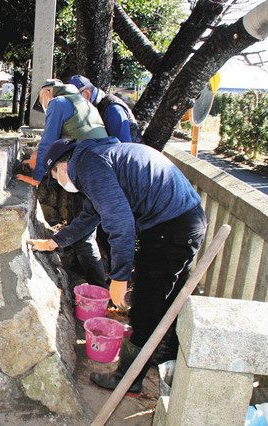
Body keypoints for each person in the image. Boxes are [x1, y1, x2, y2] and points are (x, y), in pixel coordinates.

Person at [27, 137, 207, 394]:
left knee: (148, 301)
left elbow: (120, 223)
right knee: (168, 297)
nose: (58, 183)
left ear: (62, 166)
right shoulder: (96, 160)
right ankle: (163, 353)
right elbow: (90, 216)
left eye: (55, 176)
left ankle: (128, 378)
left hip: (171, 228)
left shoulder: (89, 167)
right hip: (184, 220)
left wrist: (119, 278)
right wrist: (54, 242)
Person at [18, 79, 108, 287]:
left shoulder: (58, 102)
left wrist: (37, 177)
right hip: (99, 165)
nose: (44, 105)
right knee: (82, 225)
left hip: (88, 170)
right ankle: (84, 273)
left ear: (47, 91)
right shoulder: (81, 102)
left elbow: (49, 142)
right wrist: (35, 158)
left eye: (42, 100)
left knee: (84, 233)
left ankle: (98, 288)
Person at [67, 75, 141, 143]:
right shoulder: (99, 106)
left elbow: (124, 145)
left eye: (74, 99)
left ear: (86, 94)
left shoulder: (112, 109)